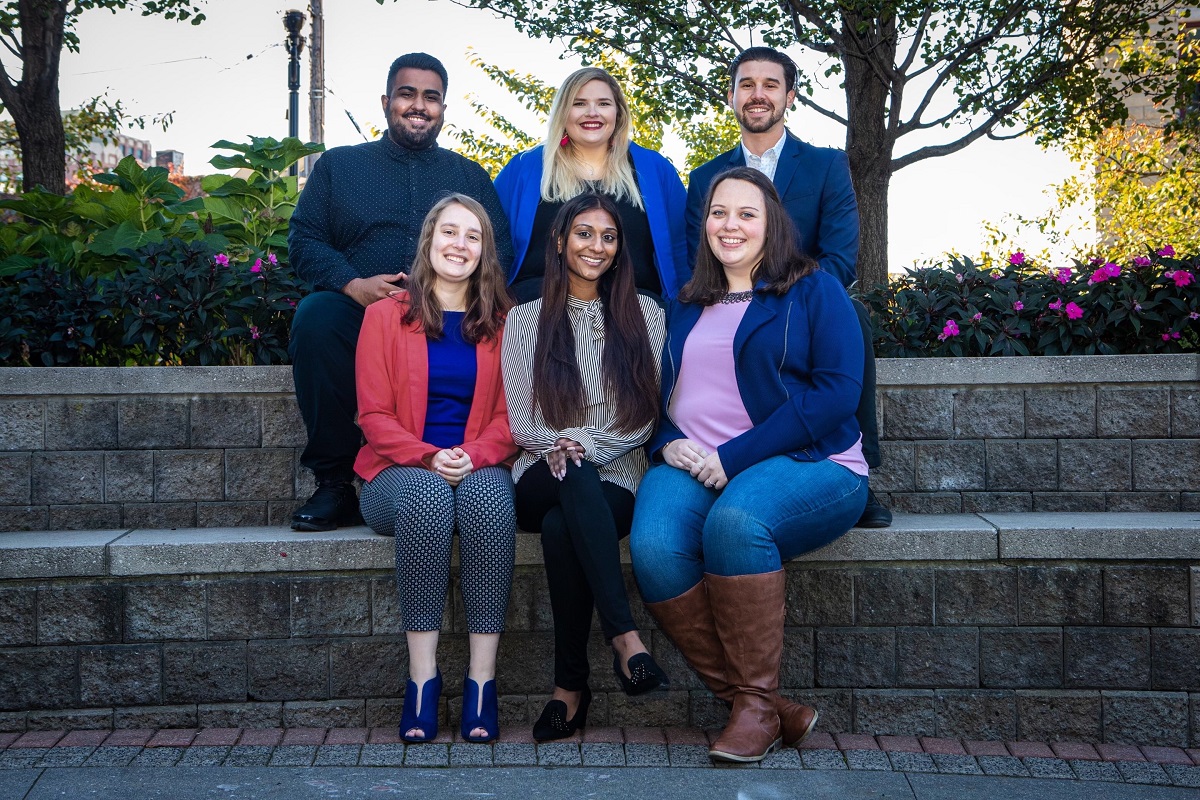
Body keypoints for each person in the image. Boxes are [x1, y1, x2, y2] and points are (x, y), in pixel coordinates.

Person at [631, 168, 869, 763]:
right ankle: (760, 705)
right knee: (655, 547)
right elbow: (655, 393)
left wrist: (732, 458)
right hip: (692, 464)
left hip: (809, 462)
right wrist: (664, 440)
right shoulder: (683, 302)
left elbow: (838, 392)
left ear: (771, 225)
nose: (729, 225)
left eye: (746, 214)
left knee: (736, 524)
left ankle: (755, 711)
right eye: (718, 212)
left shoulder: (814, 291)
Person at [287, 52, 514, 532]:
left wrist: (456, 294)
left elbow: (500, 253)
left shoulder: (469, 176)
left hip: (451, 318)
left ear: (443, 109)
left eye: (431, 97)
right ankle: (333, 484)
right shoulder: (341, 166)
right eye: (407, 94)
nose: (419, 105)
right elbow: (303, 239)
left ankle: (458, 459)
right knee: (316, 318)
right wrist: (354, 284)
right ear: (387, 101)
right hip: (363, 311)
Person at [685, 46, 891, 529]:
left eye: (770, 85)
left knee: (851, 317)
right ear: (731, 96)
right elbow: (694, 258)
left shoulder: (824, 166)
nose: (758, 94)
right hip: (724, 299)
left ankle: (859, 467)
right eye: (747, 85)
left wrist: (782, 301)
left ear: (790, 96)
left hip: (804, 302)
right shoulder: (704, 177)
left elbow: (840, 257)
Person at [501, 192, 669, 741]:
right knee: (566, 485)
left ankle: (568, 689)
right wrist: (559, 445)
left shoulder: (645, 314)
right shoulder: (524, 319)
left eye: (608, 236)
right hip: (537, 470)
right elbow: (521, 422)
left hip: (616, 473)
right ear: (559, 240)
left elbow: (643, 418)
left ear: (620, 247)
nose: (596, 246)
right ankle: (625, 638)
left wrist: (582, 447)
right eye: (584, 233)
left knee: (561, 528)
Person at [354, 194, 517, 743]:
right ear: (429, 241)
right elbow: (372, 415)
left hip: (477, 463)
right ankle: (422, 679)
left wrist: (475, 454)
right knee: (427, 499)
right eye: (449, 232)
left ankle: (481, 680)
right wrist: (427, 456)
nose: (459, 244)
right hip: (394, 472)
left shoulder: (503, 324)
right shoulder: (385, 315)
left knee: (491, 503)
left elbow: (510, 417)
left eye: (472, 236)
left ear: (484, 252)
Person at [495, 67, 687, 303]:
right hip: (537, 316)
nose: (592, 113)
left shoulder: (655, 170)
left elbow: (682, 249)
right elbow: (493, 245)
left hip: (633, 318)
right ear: (563, 112)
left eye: (604, 104)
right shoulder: (524, 169)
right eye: (579, 103)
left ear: (619, 112)